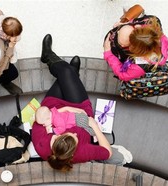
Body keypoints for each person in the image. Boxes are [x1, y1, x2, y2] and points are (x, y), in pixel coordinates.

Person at [31, 34, 113, 172]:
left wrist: (57, 113)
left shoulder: (41, 145)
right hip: (79, 108)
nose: (74, 134)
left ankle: (49, 56)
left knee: (67, 73)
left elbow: (38, 118)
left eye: (69, 135)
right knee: (68, 73)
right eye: (75, 138)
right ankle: (72, 73)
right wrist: (94, 126)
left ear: (57, 137)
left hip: (54, 108)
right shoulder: (80, 154)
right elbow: (108, 153)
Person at [103, 12, 168, 82]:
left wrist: (108, 54)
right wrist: (125, 24)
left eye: (125, 44)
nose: (118, 32)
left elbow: (123, 75)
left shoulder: (140, 66)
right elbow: (136, 23)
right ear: (137, 28)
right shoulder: (151, 24)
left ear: (135, 50)